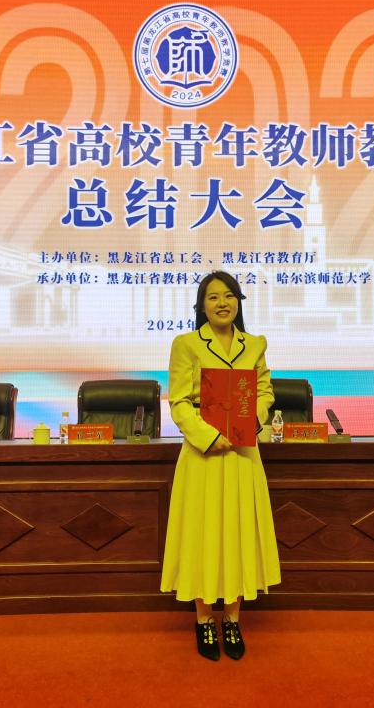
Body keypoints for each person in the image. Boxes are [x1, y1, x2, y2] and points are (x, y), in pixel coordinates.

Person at [160, 271, 282, 661]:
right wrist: (208, 435)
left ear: (238, 302)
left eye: (229, 295)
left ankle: (231, 618)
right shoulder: (186, 344)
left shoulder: (255, 344)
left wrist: (249, 420)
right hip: (204, 454)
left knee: (237, 531)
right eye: (213, 297)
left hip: (243, 452)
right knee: (203, 532)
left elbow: (265, 391)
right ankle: (202, 619)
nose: (222, 303)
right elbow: (179, 402)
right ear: (202, 305)